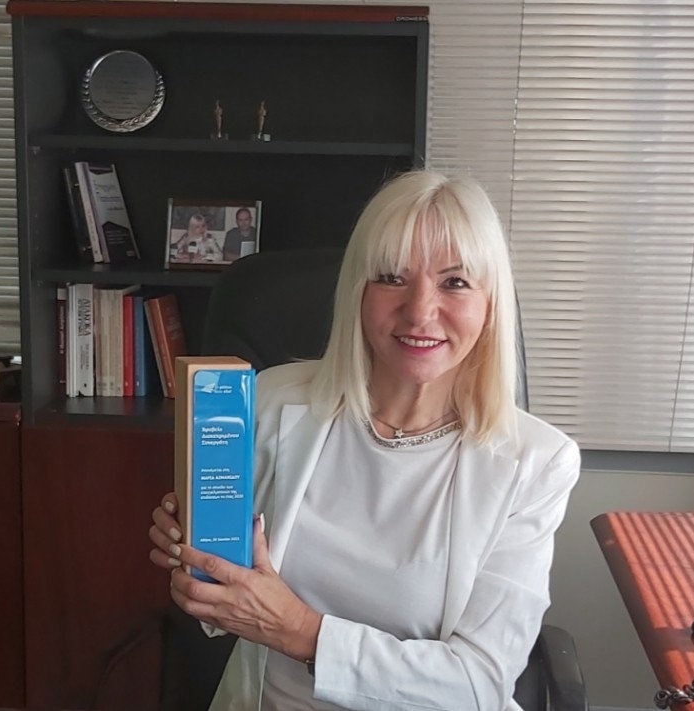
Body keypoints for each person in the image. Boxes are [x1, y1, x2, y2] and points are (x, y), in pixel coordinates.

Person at [148, 170, 581, 711]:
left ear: (490, 305)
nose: (420, 311)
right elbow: (223, 596)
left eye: (455, 282)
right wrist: (195, 556)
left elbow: (478, 685)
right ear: (358, 292)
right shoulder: (269, 402)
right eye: (391, 277)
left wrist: (301, 632)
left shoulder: (536, 463)